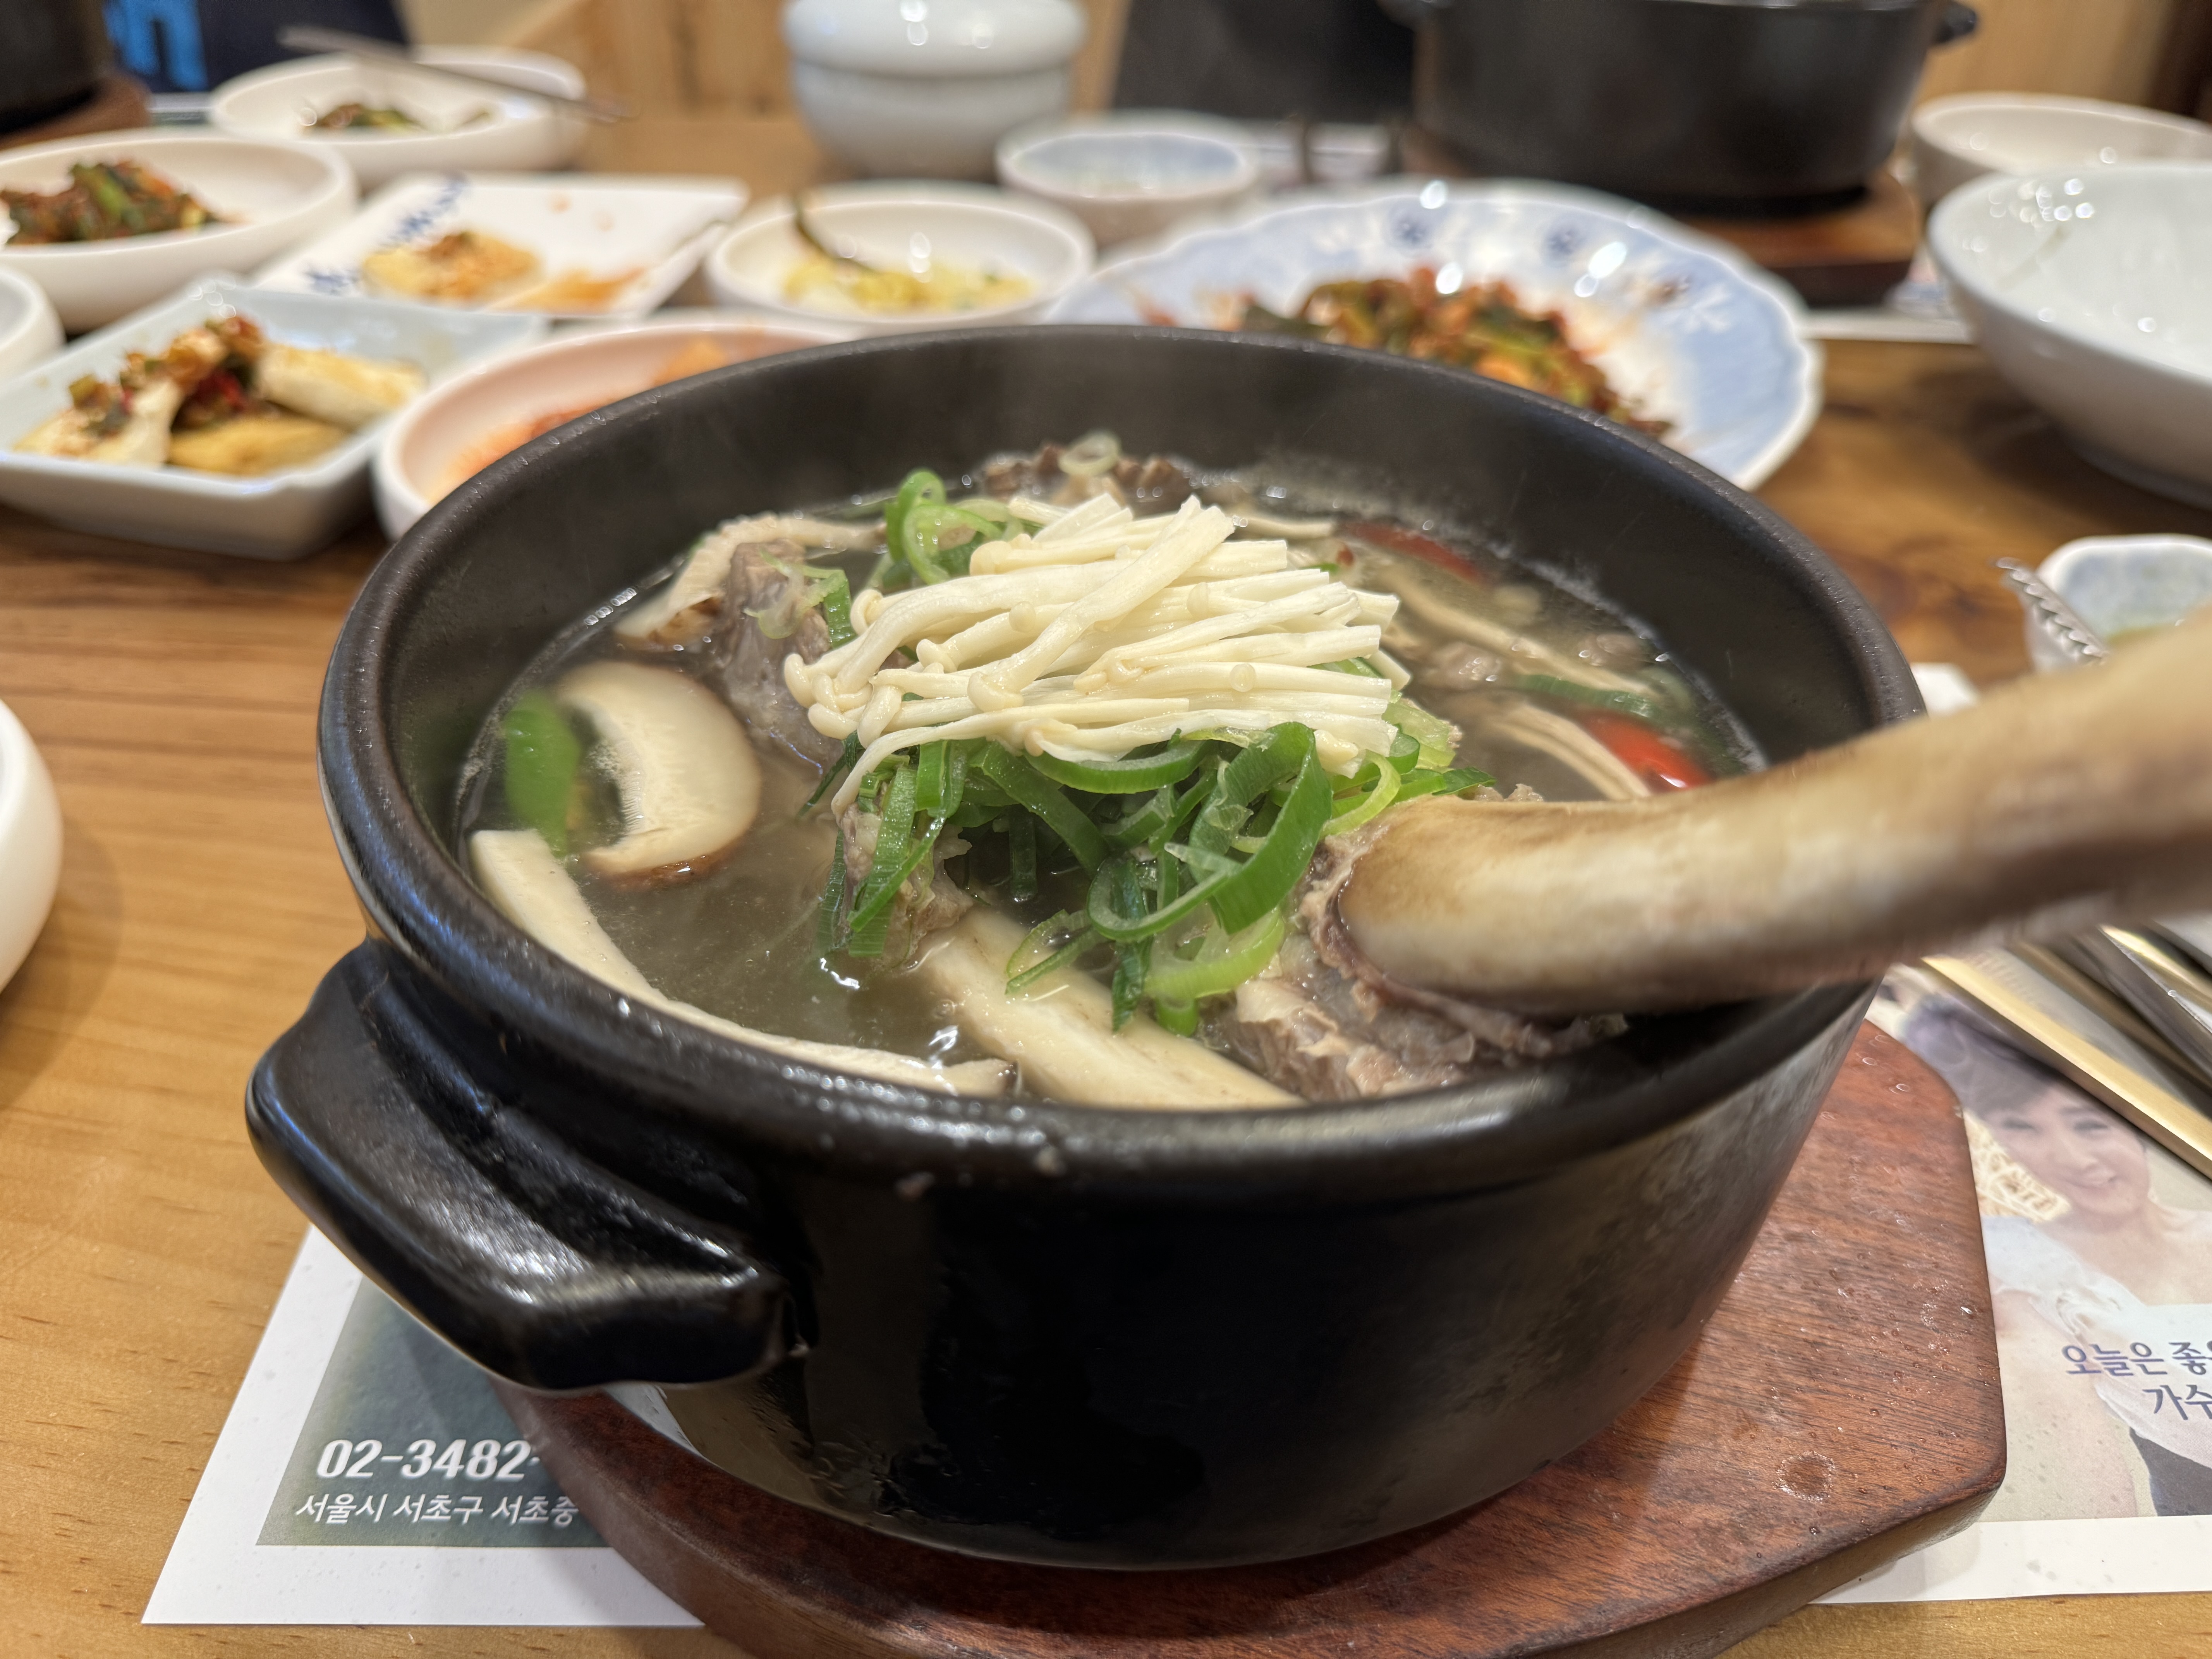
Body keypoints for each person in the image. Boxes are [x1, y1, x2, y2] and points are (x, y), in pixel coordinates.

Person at [1901, 997, 2212, 1519]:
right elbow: (2090, 1499)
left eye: (2089, 1124)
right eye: (2023, 1129)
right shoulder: (2016, 1262)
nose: (2073, 1160)